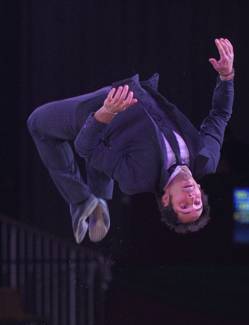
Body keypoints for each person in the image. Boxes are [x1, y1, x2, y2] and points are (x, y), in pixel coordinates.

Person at [27, 38, 235, 243]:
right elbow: (219, 115)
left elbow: (85, 148)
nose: (191, 199)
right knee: (105, 161)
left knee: (37, 123)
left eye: (184, 206)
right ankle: (97, 196)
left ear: (165, 199)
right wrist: (226, 77)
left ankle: (83, 200)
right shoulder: (205, 160)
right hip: (137, 90)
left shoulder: (138, 179)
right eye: (197, 202)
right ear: (199, 189)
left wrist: (106, 112)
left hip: (101, 108)